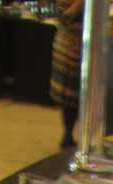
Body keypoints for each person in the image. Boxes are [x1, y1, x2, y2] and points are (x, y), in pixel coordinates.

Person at [50, 0, 85, 149]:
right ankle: (68, 136)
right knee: (70, 97)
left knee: (81, 97)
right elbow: (63, 17)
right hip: (70, 48)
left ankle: (74, 137)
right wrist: (79, 4)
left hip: (88, 48)